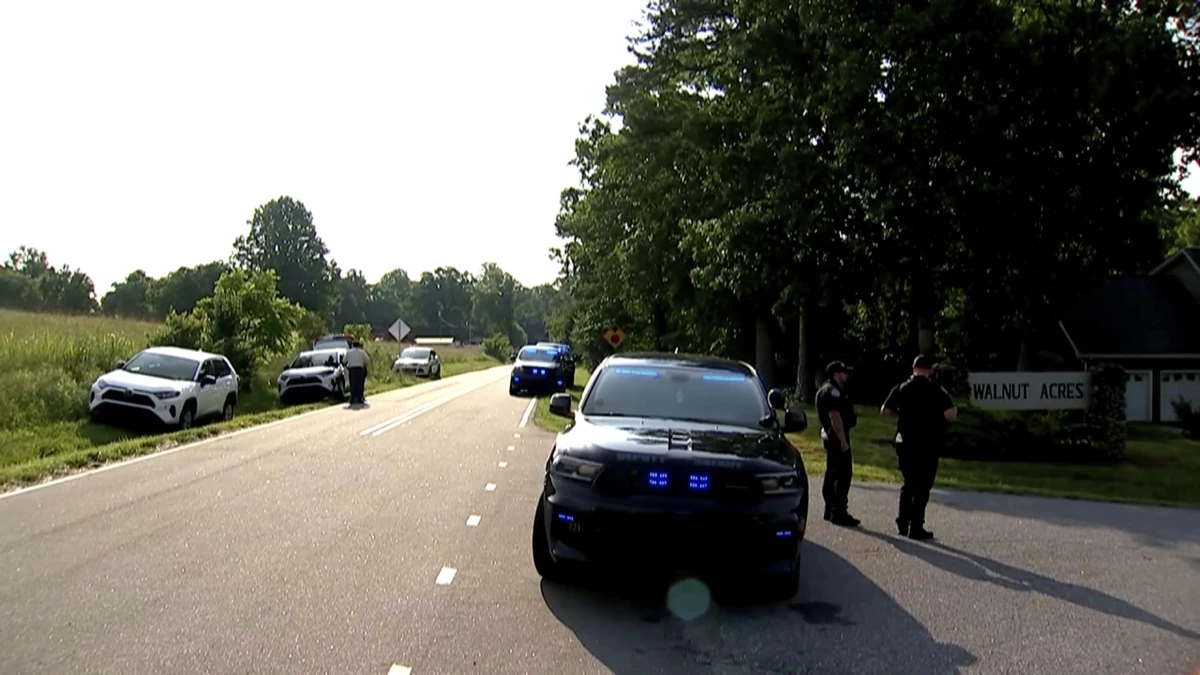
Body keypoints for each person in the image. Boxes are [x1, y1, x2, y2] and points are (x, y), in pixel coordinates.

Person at [881, 354, 958, 540]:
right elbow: (951, 414)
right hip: (927, 444)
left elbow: (885, 410)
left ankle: (902, 521)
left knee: (909, 483)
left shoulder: (902, 388)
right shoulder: (936, 390)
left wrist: (903, 413)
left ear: (913, 368)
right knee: (923, 487)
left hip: (906, 442)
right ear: (929, 370)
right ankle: (916, 527)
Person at [815, 360, 860, 527]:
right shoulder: (833, 391)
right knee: (843, 475)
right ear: (835, 373)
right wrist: (842, 440)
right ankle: (839, 512)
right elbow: (835, 416)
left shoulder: (825, 389)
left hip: (830, 436)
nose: (846, 375)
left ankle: (830, 508)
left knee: (832, 472)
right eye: (843, 372)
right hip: (837, 436)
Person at [345, 340, 370, 405]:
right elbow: (367, 360)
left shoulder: (349, 352)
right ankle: (360, 397)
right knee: (360, 384)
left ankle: (353, 398)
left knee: (353, 384)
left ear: (352, 345)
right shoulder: (362, 352)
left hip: (352, 369)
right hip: (360, 369)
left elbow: (344, 360)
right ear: (358, 345)